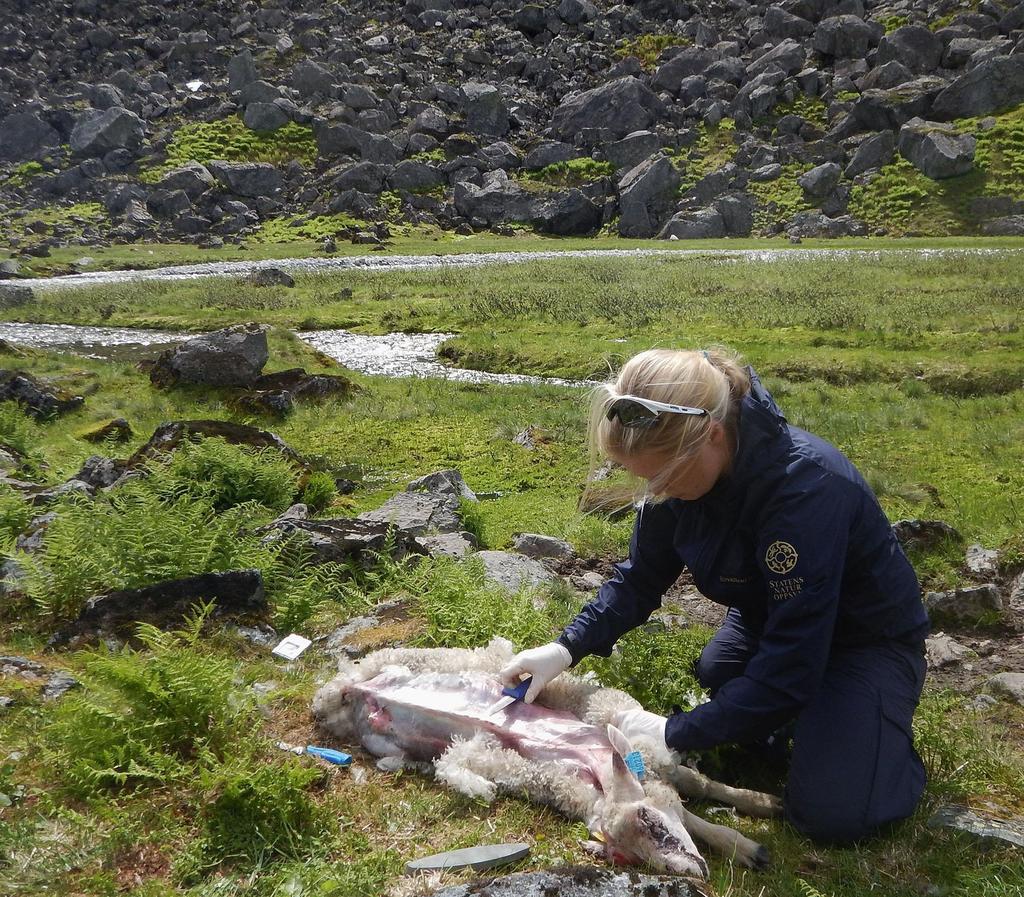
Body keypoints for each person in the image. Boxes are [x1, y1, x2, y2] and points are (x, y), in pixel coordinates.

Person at [501, 347, 930, 844]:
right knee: (719, 673)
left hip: (864, 641)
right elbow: (640, 579)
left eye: (664, 475)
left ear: (713, 434)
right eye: (644, 478)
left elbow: (795, 658)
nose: (655, 489)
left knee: (833, 816)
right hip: (770, 618)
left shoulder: (806, 491)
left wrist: (674, 733)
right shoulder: (675, 481)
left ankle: (877, 737)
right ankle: (812, 723)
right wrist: (564, 648)